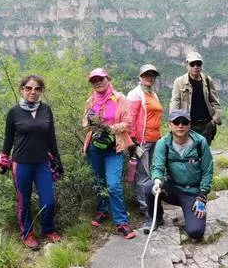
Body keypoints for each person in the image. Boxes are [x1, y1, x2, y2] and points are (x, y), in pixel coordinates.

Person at [0, 75, 63, 250]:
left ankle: (49, 229)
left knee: (48, 201)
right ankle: (27, 234)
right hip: (21, 163)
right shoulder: (14, 112)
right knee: (23, 201)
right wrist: (3, 160)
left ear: (41, 91)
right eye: (28, 88)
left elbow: (51, 137)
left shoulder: (46, 110)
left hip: (42, 163)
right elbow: (8, 139)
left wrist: (57, 160)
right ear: (22, 90)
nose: (32, 92)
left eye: (37, 89)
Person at [83, 68, 137, 239]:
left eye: (101, 79)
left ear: (108, 79)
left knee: (113, 184)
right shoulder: (91, 101)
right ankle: (103, 210)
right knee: (98, 181)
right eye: (94, 80)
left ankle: (121, 222)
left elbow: (128, 122)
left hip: (114, 148)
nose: (98, 82)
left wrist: (109, 129)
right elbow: (84, 123)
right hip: (95, 148)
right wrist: (89, 121)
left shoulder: (121, 99)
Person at [143, 109, 214, 239]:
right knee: (149, 186)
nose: (180, 125)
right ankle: (156, 218)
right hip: (173, 189)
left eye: (184, 122)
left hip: (193, 193)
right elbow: (157, 167)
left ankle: (191, 211)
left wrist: (202, 194)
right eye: (176, 122)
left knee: (195, 232)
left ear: (189, 124)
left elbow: (207, 170)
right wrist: (157, 181)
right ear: (170, 124)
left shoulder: (200, 142)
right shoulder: (163, 143)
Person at [127, 63, 164, 215]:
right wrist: (133, 141)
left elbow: (156, 117)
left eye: (152, 75)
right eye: (146, 75)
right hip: (142, 141)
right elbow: (130, 118)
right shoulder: (135, 94)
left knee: (154, 172)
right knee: (143, 174)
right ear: (140, 77)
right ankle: (145, 207)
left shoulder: (153, 94)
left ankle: (152, 201)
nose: (150, 77)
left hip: (155, 140)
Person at [170, 51, 222, 145]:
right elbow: (175, 103)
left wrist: (214, 121)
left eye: (198, 64)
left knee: (204, 151)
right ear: (187, 65)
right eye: (192, 64)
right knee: (189, 151)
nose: (195, 67)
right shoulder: (179, 82)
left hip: (207, 125)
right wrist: (175, 123)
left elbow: (215, 102)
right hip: (189, 125)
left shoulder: (207, 80)